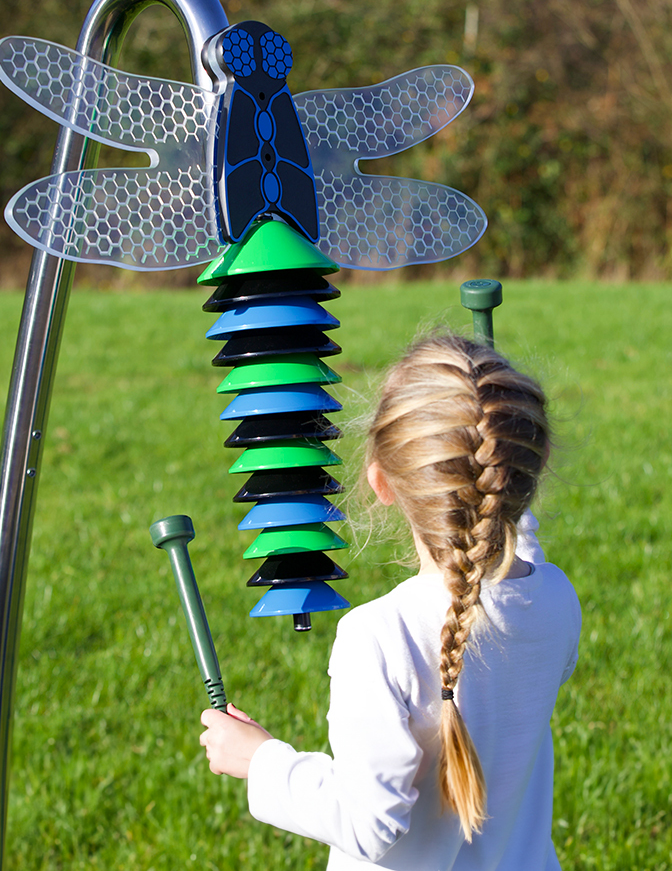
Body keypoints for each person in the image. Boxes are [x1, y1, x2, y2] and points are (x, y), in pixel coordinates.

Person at [200, 332, 581, 870]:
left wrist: (260, 761)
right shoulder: (557, 601)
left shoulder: (380, 638)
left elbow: (369, 823)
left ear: (381, 481)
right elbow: (518, 577)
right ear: (528, 473)